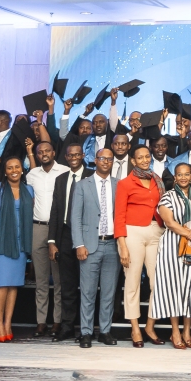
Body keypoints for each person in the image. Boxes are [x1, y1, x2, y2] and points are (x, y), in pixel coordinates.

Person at [115, 145, 166, 347]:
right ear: (133, 161)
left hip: (156, 231)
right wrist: (122, 245)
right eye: (140, 157)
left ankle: (150, 326)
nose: (145, 160)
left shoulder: (157, 180)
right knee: (133, 282)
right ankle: (135, 328)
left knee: (158, 283)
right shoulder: (125, 183)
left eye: (147, 156)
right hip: (132, 233)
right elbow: (119, 216)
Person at [70, 148, 121, 348]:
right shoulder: (83, 185)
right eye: (102, 158)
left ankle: (105, 331)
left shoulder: (119, 185)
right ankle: (86, 332)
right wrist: (79, 244)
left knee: (108, 292)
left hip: (113, 245)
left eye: (109, 159)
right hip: (90, 245)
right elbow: (75, 217)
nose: (106, 162)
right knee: (88, 292)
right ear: (95, 160)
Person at [151, 163, 191, 349]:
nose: (183, 178)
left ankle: (187, 331)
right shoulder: (167, 197)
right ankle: (175, 331)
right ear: (175, 178)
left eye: (186, 174)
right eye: (179, 175)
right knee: (174, 288)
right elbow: (169, 222)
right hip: (172, 247)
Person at [0, 156, 33, 342]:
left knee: (13, 284)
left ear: (22, 169)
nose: (14, 170)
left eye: (17, 167)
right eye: (10, 168)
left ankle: (8, 323)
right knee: (1, 283)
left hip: (20, 243)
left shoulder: (29, 190)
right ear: (5, 171)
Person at [23, 140, 68, 337]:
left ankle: (57, 321)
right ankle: (41, 321)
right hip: (38, 228)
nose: (44, 154)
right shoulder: (32, 174)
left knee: (58, 280)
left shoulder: (65, 171)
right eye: (40, 152)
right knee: (41, 280)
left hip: (58, 230)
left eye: (47, 150)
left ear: (54, 152)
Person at [48, 144, 89, 341]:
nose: (74, 157)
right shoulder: (61, 179)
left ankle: (85, 329)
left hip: (86, 236)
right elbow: (55, 210)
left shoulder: (91, 176)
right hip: (65, 235)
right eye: (70, 155)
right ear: (65, 157)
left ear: (83, 155)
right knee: (67, 284)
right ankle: (67, 326)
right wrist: (52, 240)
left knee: (87, 285)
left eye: (77, 154)